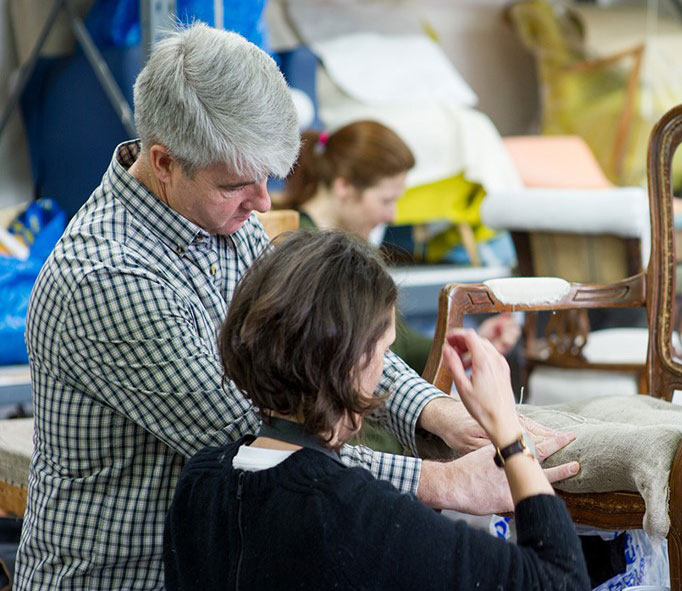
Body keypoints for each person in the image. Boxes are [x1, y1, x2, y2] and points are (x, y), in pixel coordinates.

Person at [16, 24, 574, 590]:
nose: (263, 202)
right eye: (239, 183)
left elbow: (336, 339)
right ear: (163, 162)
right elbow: (264, 440)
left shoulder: (224, 219)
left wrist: (438, 413)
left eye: (267, 177)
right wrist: (443, 483)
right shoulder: (108, 277)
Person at [163, 230, 589, 591]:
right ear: (351, 363)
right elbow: (560, 581)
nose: (385, 369)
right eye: (385, 351)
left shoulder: (199, 484)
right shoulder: (357, 515)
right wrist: (510, 437)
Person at [283, 121, 521, 373]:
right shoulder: (300, 251)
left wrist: (464, 345)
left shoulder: (359, 250)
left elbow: (396, 344)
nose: (392, 216)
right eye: (386, 200)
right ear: (344, 186)